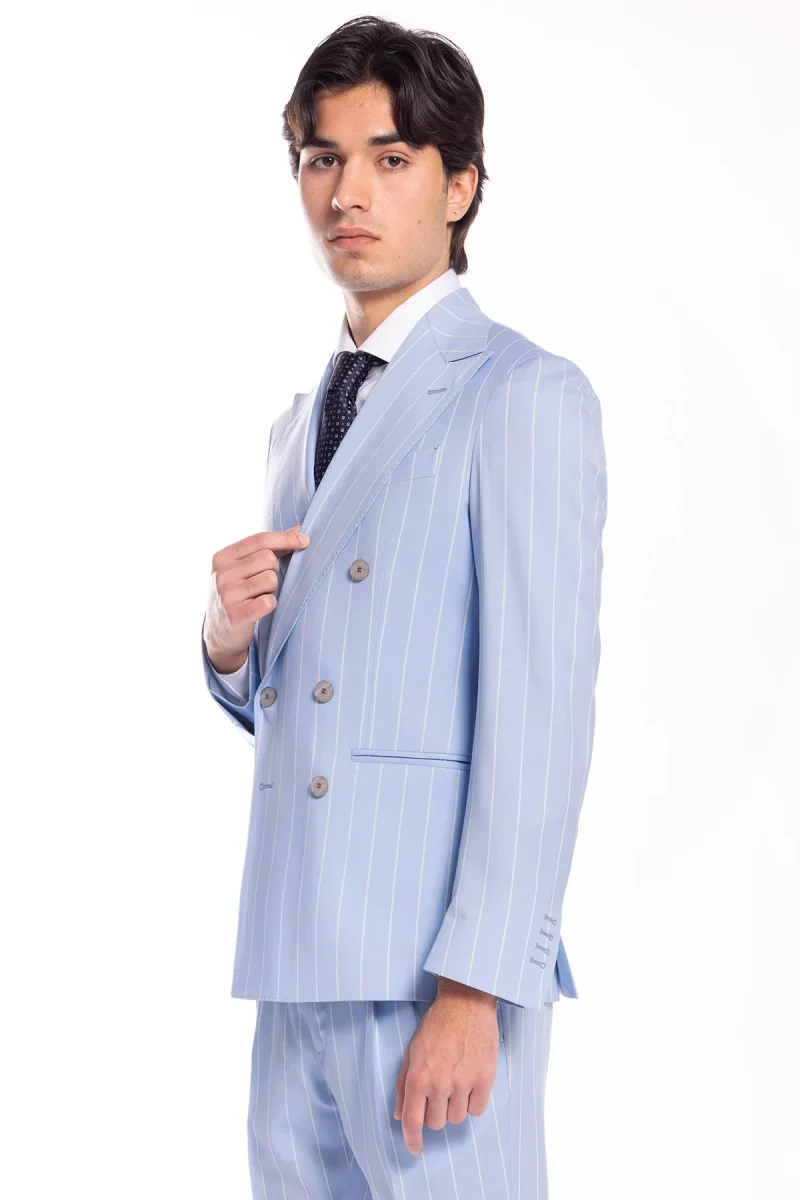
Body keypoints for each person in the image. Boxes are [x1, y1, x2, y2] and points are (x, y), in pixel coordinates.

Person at [201, 14, 607, 1199]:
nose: (346, 193)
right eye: (320, 159)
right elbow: (309, 698)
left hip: (432, 971)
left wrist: (477, 985)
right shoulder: (302, 423)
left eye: (389, 158)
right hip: (292, 961)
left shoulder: (520, 394)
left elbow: (540, 715)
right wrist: (229, 642)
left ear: (459, 183)